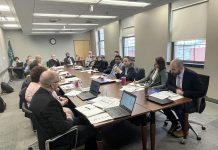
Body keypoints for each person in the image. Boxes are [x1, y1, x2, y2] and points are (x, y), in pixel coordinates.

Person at [29, 70, 96, 150]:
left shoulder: (37, 95)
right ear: (52, 85)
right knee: (93, 129)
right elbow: (63, 128)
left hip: (47, 131)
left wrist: (67, 117)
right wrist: (69, 118)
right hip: (58, 138)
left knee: (83, 119)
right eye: (58, 81)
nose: (59, 83)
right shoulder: (50, 102)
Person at [163, 59, 204, 138]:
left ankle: (185, 128)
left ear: (180, 68)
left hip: (191, 99)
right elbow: (168, 84)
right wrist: (176, 90)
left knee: (179, 107)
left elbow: (201, 92)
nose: (171, 71)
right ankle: (175, 123)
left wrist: (184, 93)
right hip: (176, 97)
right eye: (171, 69)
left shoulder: (192, 75)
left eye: (173, 69)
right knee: (163, 105)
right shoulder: (172, 73)